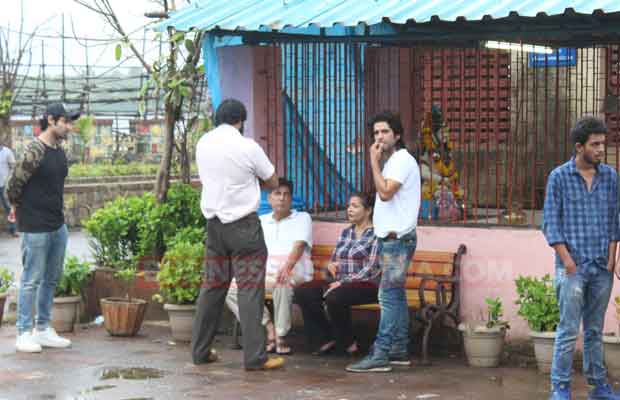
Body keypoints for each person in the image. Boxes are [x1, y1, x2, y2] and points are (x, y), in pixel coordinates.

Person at [191, 98, 284, 371]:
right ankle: (255, 357)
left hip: (215, 227)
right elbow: (273, 182)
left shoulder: (203, 144)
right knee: (250, 290)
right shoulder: (247, 146)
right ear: (240, 121)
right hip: (244, 229)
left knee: (212, 288)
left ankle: (200, 351)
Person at [543, 116, 620, 400]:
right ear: (579, 146)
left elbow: (615, 221)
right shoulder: (559, 177)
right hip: (572, 268)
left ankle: (598, 386)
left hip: (601, 267)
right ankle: (560, 388)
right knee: (567, 331)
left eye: (603, 143)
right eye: (595, 144)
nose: (601, 149)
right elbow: (551, 223)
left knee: (594, 331)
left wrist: (612, 260)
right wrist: (568, 261)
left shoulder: (611, 177)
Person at [346, 111, 420, 373]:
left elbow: (386, 193)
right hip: (392, 240)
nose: (379, 137)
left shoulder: (400, 160)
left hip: (397, 241)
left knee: (387, 296)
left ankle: (381, 353)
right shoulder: (392, 162)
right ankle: (399, 349)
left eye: (385, 132)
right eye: (376, 133)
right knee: (395, 296)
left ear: (397, 135)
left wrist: (372, 163)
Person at [4, 103, 80, 353]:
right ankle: (24, 332)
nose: (69, 126)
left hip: (57, 224)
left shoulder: (58, 149)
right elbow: (12, 186)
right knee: (31, 280)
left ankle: (43, 328)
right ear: (51, 120)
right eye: (66, 122)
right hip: (35, 225)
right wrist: (19, 209)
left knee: (51, 279)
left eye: (70, 122)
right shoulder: (34, 150)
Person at [225, 178, 313, 355]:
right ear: (270, 198)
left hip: (295, 272)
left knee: (283, 280)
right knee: (232, 290)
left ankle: (281, 336)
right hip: (265, 274)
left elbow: (298, 246)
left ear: (291, 198)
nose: (282, 198)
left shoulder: (302, 218)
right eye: (277, 194)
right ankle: (268, 327)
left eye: (286, 194)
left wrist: (286, 267)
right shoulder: (261, 220)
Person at [294, 192, 380, 356]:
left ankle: (347, 342)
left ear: (368, 211)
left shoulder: (376, 234)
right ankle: (325, 338)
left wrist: (344, 282)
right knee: (303, 291)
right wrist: (330, 267)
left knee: (335, 296)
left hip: (367, 284)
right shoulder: (346, 233)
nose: (349, 209)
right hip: (339, 283)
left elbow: (372, 268)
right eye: (348, 206)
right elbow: (334, 260)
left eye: (355, 206)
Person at [0, 143, 17, 237]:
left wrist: (9, 180)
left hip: (4, 185)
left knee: (9, 208)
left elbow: (13, 167)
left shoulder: (7, 152)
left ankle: (13, 230)